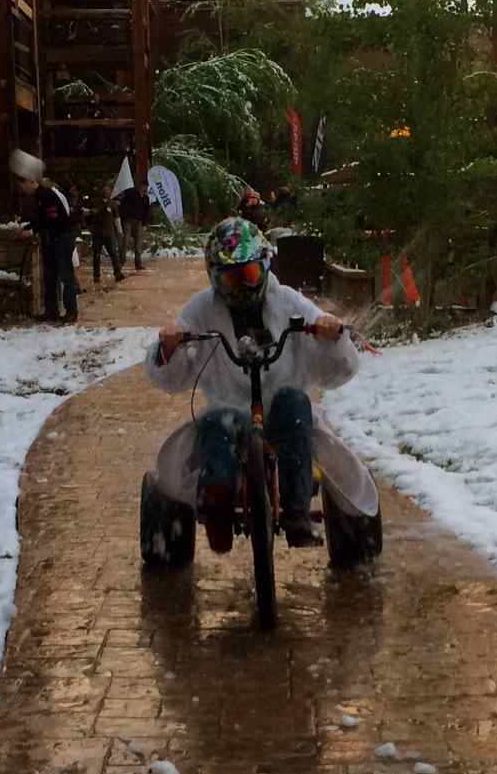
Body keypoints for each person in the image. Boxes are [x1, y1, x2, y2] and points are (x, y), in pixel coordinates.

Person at [147, 218, 358, 549]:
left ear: (264, 268)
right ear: (215, 277)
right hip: (229, 408)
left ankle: (297, 509)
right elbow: (171, 378)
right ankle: (215, 498)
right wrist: (170, 346)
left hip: (281, 407)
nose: (244, 287)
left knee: (296, 404)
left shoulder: (288, 301)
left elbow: (336, 366)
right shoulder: (201, 309)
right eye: (233, 278)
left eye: (250, 275)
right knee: (216, 422)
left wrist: (330, 335)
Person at [20, 163, 78, 323]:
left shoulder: (47, 195)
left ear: (32, 182)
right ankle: (51, 310)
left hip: (62, 238)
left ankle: (71, 311)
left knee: (66, 275)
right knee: (50, 276)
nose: (23, 189)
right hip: (53, 239)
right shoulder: (40, 196)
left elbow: (53, 218)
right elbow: (40, 217)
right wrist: (29, 227)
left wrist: (32, 230)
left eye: (23, 185)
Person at [87, 179, 124, 286]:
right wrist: (91, 226)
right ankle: (96, 275)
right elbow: (90, 214)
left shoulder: (113, 204)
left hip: (109, 233)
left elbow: (117, 218)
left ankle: (117, 273)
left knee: (113, 253)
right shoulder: (95, 202)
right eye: (104, 191)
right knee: (96, 255)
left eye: (108, 191)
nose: (106, 192)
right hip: (98, 233)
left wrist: (119, 231)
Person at [118, 169, 149, 272]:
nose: (145, 188)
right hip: (129, 220)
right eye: (143, 187)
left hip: (138, 222)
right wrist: (124, 216)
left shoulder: (146, 198)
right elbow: (123, 204)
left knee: (138, 243)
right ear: (140, 186)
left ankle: (138, 263)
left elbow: (146, 212)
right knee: (125, 241)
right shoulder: (132, 194)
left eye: (146, 187)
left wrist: (145, 223)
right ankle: (121, 262)